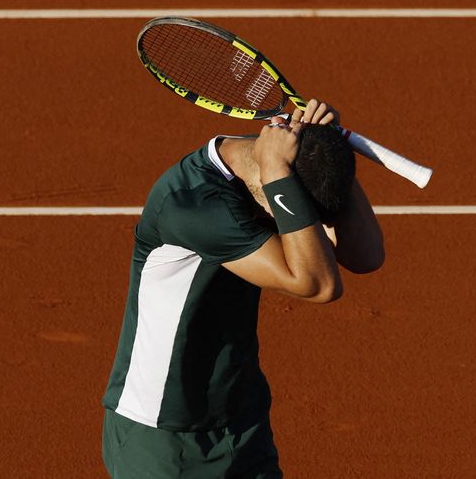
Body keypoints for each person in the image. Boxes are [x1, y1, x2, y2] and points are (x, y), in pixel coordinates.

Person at [101, 99, 384, 478]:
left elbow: (366, 256)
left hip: (241, 417)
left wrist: (327, 148)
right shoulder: (193, 205)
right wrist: (280, 174)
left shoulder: (272, 176)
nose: (290, 225)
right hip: (164, 437)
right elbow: (318, 284)